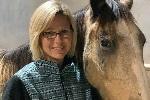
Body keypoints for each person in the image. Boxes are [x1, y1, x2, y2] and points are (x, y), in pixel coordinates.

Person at [2, 0, 101, 100]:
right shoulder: (20, 83)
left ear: (72, 33)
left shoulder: (84, 76)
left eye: (64, 31)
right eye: (49, 33)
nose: (58, 40)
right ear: (38, 37)